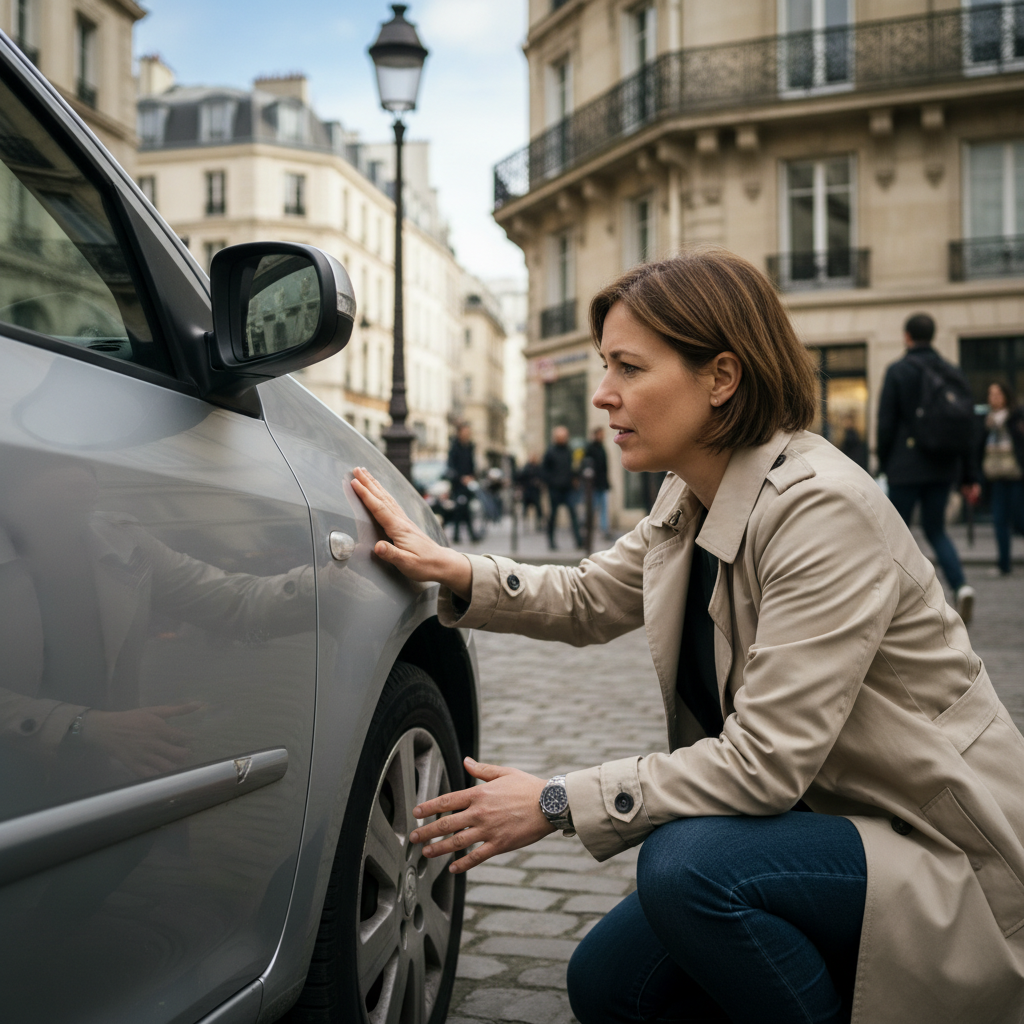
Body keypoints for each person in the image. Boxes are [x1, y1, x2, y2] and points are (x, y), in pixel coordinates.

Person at [351, 248, 1024, 1024]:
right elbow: (587, 595)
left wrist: (558, 800)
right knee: (610, 983)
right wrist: (450, 568)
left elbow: (765, 763)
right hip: (828, 831)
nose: (603, 395)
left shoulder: (819, 510)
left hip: (946, 857)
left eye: (630, 368)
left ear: (721, 378)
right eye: (607, 366)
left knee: (688, 870)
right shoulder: (693, 493)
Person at [876, 312, 978, 625]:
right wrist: (968, 475)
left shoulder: (898, 370)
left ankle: (896, 600)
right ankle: (961, 585)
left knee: (894, 536)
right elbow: (967, 427)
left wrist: (882, 462)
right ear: (931, 335)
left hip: (905, 468)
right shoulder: (951, 370)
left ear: (907, 336)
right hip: (942, 466)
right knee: (936, 530)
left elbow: (886, 423)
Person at [979, 381, 1024, 576]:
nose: (994, 398)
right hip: (995, 476)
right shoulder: (986, 420)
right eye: (991, 394)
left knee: (1020, 519)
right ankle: (1004, 564)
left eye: (998, 394)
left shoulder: (1016, 417)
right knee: (999, 521)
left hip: (1016, 475)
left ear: (1006, 396)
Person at [542, 424, 583, 550]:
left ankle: (579, 541)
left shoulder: (570, 451)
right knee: (553, 517)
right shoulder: (550, 452)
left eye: (564, 436)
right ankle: (551, 542)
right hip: (555, 490)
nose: (562, 439)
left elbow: (575, 467)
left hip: (568, 489)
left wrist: (575, 479)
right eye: (560, 436)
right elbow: (544, 470)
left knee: (573, 515)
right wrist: (551, 482)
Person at [446, 423, 480, 543]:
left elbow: (472, 464)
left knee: (464, 510)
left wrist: (472, 476)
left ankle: (459, 535)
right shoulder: (454, 448)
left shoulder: (470, 447)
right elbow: (451, 467)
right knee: (461, 509)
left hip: (468, 484)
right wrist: (461, 478)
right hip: (458, 485)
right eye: (465, 431)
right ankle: (466, 535)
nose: (467, 434)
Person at [583, 426, 612, 540]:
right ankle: (588, 529)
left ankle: (604, 530)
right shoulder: (590, 448)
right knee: (592, 508)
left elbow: (605, 468)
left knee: (604, 508)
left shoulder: (602, 448)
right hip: (593, 485)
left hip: (602, 484)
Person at [516, 452, 545, 531]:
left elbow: (542, 477)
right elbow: (520, 478)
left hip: (535, 491)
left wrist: (539, 483)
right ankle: (526, 525)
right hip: (527, 491)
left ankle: (539, 525)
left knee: (538, 509)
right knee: (525, 509)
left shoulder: (538, 468)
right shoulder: (526, 468)